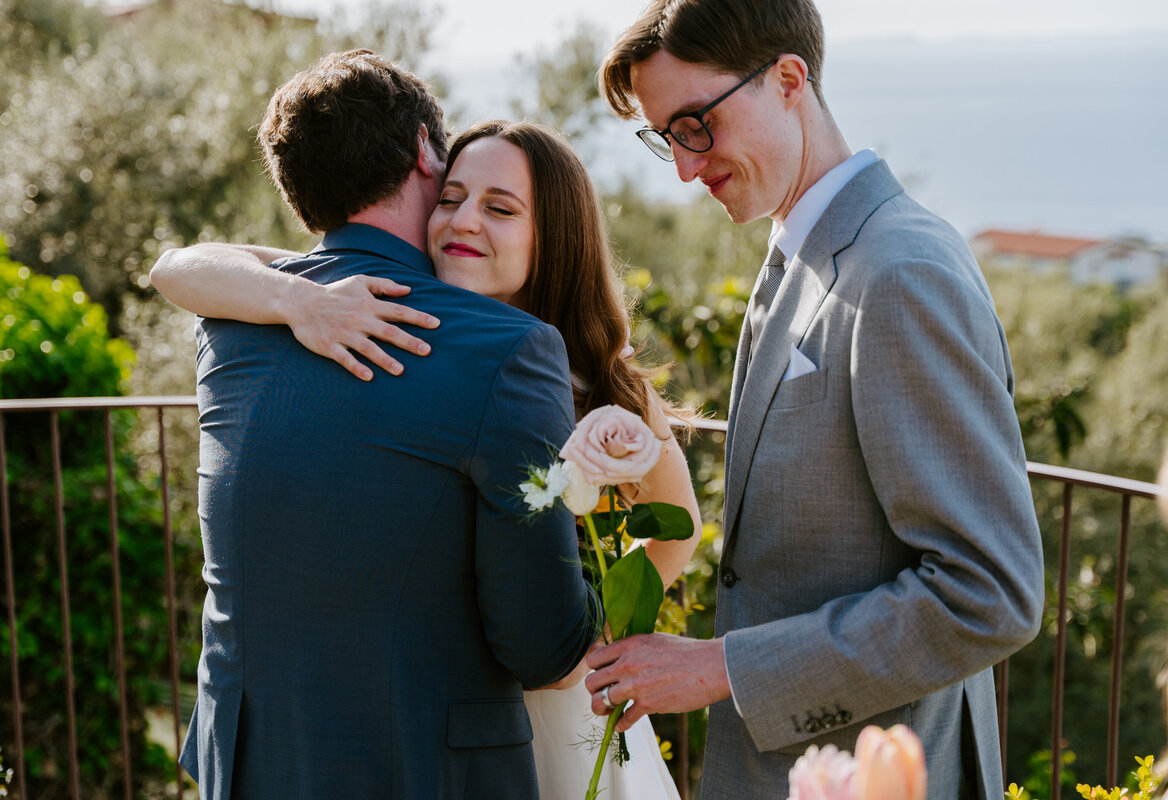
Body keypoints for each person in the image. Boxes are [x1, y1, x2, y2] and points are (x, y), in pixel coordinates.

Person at [153, 118, 702, 798]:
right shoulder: (370, 312)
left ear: (553, 235)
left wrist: (602, 635)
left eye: (500, 208)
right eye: (450, 198)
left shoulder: (602, 382)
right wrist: (299, 300)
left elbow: (679, 525)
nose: (463, 221)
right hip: (441, 715)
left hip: (563, 710)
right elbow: (187, 264)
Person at [580, 1, 1046, 798]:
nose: (688, 167)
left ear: (788, 79)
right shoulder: (803, 249)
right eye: (668, 139)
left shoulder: (900, 273)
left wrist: (723, 668)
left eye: (698, 124)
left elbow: (990, 593)